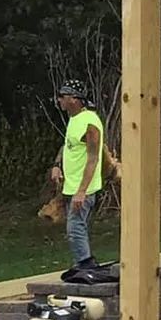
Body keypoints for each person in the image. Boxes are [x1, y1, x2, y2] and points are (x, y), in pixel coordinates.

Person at [52, 80, 105, 271]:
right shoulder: (74, 119)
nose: (58, 100)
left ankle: (86, 265)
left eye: (62, 96)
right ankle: (83, 263)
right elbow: (68, 145)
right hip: (72, 186)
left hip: (84, 188)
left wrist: (82, 191)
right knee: (75, 227)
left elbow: (93, 158)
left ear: (74, 99)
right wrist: (57, 165)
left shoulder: (90, 123)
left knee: (75, 227)